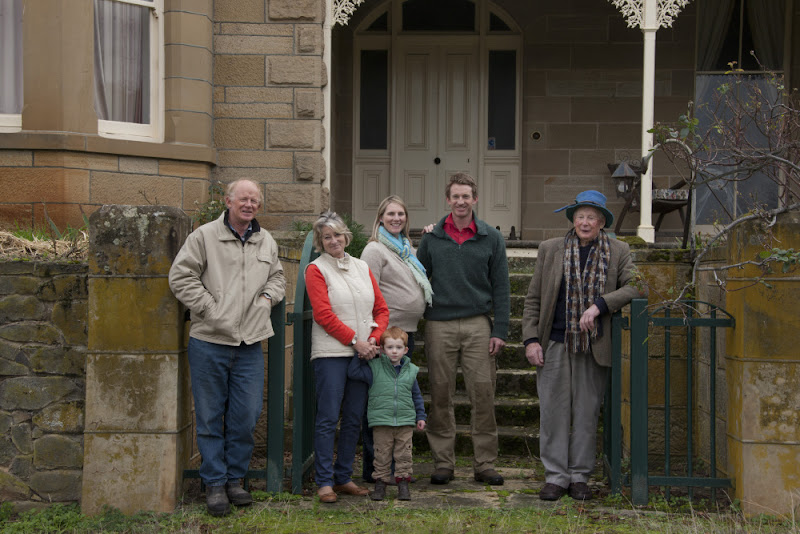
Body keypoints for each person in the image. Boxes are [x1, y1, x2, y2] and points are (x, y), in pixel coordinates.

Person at [168, 179, 286, 517]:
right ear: (228, 201)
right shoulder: (204, 236)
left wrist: (267, 298)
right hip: (209, 342)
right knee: (208, 416)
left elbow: (277, 278)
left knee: (245, 416)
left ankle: (236, 479)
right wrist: (210, 309)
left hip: (250, 342)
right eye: (243, 199)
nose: (249, 204)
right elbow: (181, 277)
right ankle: (215, 484)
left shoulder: (266, 241)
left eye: (255, 200)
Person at [522, 190, 644, 501]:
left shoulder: (618, 250)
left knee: (587, 414)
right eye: (580, 216)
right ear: (572, 219)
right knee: (553, 413)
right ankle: (556, 477)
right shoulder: (550, 249)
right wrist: (531, 340)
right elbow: (534, 299)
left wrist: (601, 305)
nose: (585, 222)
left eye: (591, 217)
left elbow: (636, 286)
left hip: (594, 345)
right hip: (554, 342)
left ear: (602, 221)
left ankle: (579, 476)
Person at [416, 173, 510, 486]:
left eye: (466, 196)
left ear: (475, 199)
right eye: (455, 196)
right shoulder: (432, 239)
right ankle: (443, 464)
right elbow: (419, 279)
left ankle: (484, 464)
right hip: (439, 324)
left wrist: (501, 330)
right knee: (441, 394)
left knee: (482, 394)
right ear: (448, 199)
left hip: (478, 324)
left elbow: (502, 288)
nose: (460, 202)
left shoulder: (491, 238)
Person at [305, 211, 390, 503]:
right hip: (332, 353)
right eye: (326, 237)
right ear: (320, 241)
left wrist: (373, 340)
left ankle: (343, 477)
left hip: (363, 353)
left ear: (346, 236)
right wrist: (356, 341)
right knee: (329, 417)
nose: (333, 241)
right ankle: (325, 481)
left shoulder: (362, 266)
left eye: (337, 235)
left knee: (354, 418)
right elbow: (324, 315)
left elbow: (381, 310)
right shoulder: (316, 269)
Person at [359, 195, 432, 483]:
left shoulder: (404, 248)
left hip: (403, 336)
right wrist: (376, 336)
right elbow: (369, 294)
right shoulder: (375, 250)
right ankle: (375, 470)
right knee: (379, 404)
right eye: (390, 214)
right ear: (380, 218)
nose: (396, 218)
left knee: (397, 401)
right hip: (386, 337)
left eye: (401, 213)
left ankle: (395, 468)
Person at [347, 326, 427, 501]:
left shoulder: (411, 370)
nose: (394, 352)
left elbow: (416, 395)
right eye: (390, 347)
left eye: (398, 348)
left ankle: (403, 485)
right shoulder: (374, 368)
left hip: (405, 422)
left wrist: (421, 416)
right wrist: (359, 356)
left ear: (405, 350)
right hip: (381, 422)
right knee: (381, 455)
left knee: (404, 455)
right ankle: (380, 485)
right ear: (382, 350)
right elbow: (353, 373)